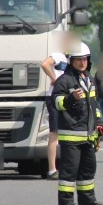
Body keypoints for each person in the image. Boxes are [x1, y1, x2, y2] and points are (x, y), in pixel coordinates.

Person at [52, 42, 103, 205]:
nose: (82, 62)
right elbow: (56, 103)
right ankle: (66, 201)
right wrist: (71, 99)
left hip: (88, 134)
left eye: (84, 59)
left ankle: (87, 199)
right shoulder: (64, 81)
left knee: (88, 168)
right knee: (70, 170)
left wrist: (99, 125)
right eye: (78, 59)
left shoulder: (89, 79)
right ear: (71, 61)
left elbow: (94, 106)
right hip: (71, 134)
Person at [40, 51, 68, 179]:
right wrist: (55, 79)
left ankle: (65, 167)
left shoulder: (70, 59)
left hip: (67, 98)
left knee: (66, 133)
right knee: (55, 133)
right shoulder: (59, 55)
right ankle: (52, 169)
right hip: (56, 96)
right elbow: (45, 64)